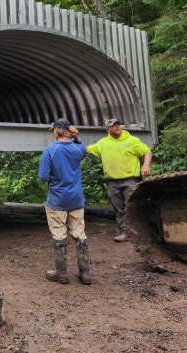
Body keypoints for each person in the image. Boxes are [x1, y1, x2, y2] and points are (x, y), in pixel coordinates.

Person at [38, 117, 91, 285]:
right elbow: (83, 148)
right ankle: (85, 274)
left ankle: (61, 274)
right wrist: (76, 137)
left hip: (57, 201)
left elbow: (43, 176)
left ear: (56, 131)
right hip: (76, 199)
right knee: (80, 234)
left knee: (59, 235)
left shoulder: (50, 150)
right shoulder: (77, 149)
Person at [86, 118, 152, 242]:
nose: (117, 127)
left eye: (118, 124)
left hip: (130, 180)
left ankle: (139, 233)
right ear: (108, 129)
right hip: (112, 182)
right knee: (119, 209)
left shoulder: (132, 140)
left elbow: (147, 152)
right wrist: (75, 140)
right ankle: (124, 233)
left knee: (132, 207)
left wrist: (146, 165)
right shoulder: (103, 143)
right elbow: (87, 150)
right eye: (113, 125)